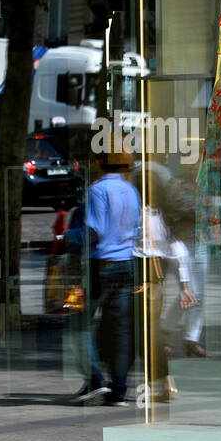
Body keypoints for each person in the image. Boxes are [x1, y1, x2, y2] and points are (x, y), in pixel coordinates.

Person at [85, 145, 142, 408]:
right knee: (120, 331)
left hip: (103, 263)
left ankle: (96, 379)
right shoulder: (131, 190)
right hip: (126, 263)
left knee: (81, 326)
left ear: (100, 163)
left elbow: (94, 229)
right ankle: (119, 389)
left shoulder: (98, 190)